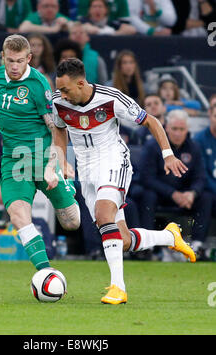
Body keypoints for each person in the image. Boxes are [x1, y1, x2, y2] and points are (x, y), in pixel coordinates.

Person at [52, 58, 195, 305]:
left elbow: (151, 120)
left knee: (104, 214)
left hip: (113, 160)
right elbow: (59, 128)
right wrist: (62, 159)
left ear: (81, 83)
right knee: (121, 238)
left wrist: (168, 154)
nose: (61, 95)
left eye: (65, 90)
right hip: (85, 169)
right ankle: (170, 237)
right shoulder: (58, 102)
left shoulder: (111, 98)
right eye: (59, 89)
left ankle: (119, 288)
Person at [0, 35, 80, 272]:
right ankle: (45, 273)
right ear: (3, 57)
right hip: (14, 159)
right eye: (10, 60)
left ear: (29, 59)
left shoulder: (38, 84)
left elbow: (55, 129)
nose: (14, 66)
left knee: (71, 222)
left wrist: (54, 165)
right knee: (18, 215)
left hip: (43, 155)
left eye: (20, 61)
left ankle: (68, 183)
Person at [139, 109, 212, 256]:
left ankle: (197, 245)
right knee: (147, 195)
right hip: (160, 194)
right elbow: (146, 178)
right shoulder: (153, 146)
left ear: (187, 130)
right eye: (174, 129)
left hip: (185, 197)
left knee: (206, 197)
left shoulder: (194, 147)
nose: (178, 133)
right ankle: (148, 246)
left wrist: (192, 193)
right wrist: (172, 193)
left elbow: (200, 177)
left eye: (182, 129)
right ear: (166, 128)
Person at [193, 103, 216, 257]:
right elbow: (202, 173)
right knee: (206, 197)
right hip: (208, 190)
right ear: (209, 115)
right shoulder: (200, 139)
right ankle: (197, 243)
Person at [68, 21, 108, 85]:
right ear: (69, 37)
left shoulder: (97, 58)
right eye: (74, 33)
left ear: (87, 37)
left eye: (81, 32)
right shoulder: (63, 57)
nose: (78, 35)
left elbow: (103, 84)